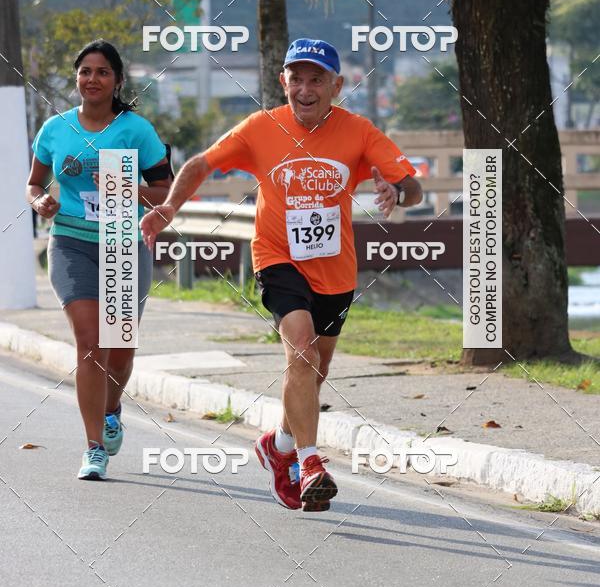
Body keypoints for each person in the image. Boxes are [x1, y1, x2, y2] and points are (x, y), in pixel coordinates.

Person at [140, 38, 422, 511]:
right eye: (297, 78)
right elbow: (201, 163)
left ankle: (280, 447)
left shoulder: (359, 132)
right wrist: (169, 206)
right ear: (282, 81)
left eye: (316, 80)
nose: (305, 89)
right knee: (303, 351)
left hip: (335, 269)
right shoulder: (261, 128)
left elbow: (412, 187)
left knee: (314, 370)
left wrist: (396, 190)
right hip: (277, 256)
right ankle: (310, 463)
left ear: (336, 85)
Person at [26, 40, 172, 481]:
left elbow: (166, 191)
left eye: (103, 72)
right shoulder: (55, 128)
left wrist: (127, 187)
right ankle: (93, 449)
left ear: (118, 81)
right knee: (90, 343)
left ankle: (111, 409)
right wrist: (39, 204)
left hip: (122, 244)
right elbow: (33, 184)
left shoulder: (135, 129)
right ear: (76, 78)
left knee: (120, 351)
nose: (93, 79)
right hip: (70, 241)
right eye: (85, 71)